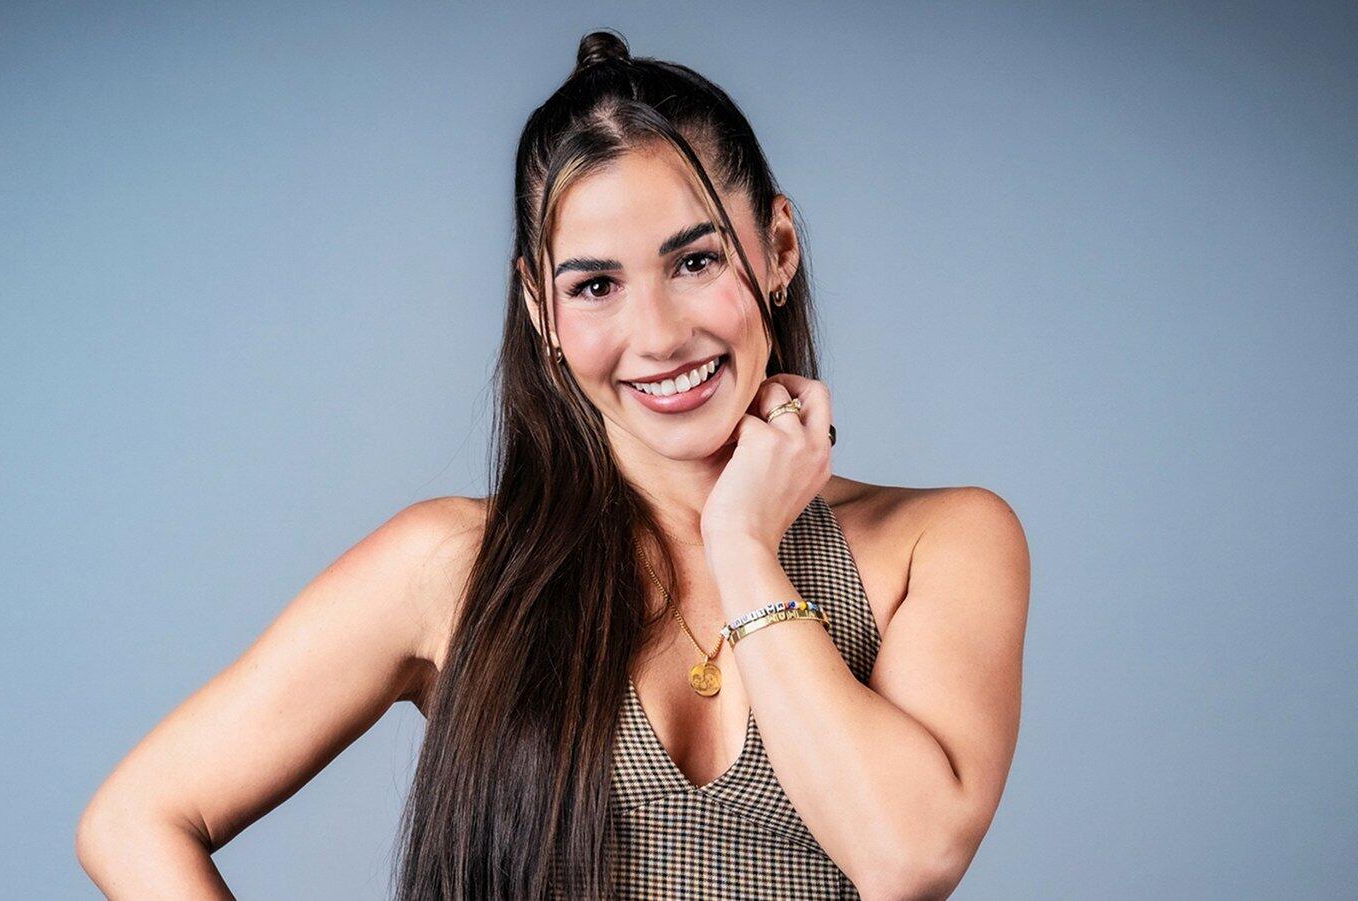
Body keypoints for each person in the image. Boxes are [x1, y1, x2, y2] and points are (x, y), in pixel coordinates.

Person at [76, 28, 1029, 901]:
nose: (657, 335)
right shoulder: (455, 565)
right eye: (596, 284)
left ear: (778, 248)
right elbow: (135, 820)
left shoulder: (937, 545)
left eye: (695, 262)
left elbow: (906, 858)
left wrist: (742, 544)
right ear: (541, 309)